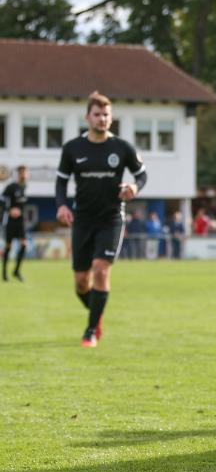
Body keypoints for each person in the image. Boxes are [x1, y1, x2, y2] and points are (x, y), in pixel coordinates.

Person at [56, 91, 147, 347]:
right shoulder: (73, 148)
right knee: (81, 282)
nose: (102, 119)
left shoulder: (122, 147)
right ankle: (97, 314)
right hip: (83, 220)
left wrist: (134, 188)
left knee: (100, 269)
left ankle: (90, 331)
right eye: (97, 114)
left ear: (111, 117)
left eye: (106, 114)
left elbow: (142, 174)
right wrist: (62, 206)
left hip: (111, 219)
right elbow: (61, 182)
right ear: (88, 117)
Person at [1, 165, 29, 282]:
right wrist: (10, 210)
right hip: (10, 221)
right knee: (8, 246)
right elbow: (2, 200)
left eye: (26, 173)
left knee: (24, 244)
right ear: (18, 174)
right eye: (22, 173)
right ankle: (4, 274)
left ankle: (16, 271)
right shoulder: (11, 187)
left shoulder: (24, 187)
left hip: (20, 221)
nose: (24, 175)